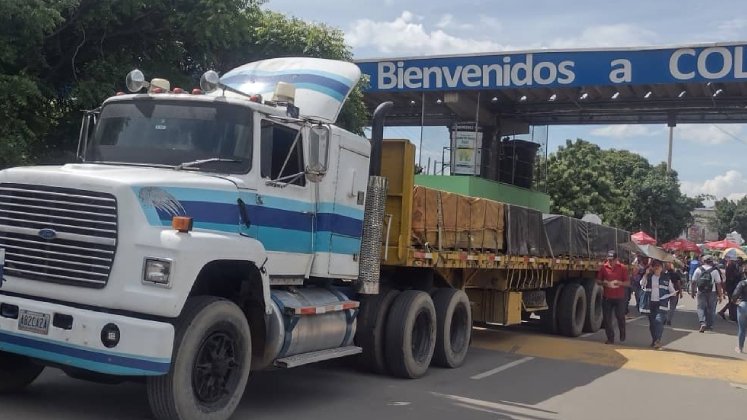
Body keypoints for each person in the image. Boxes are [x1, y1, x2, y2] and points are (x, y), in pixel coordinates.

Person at [640, 259, 676, 349]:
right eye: (655, 265)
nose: (657, 267)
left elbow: (672, 291)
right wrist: (646, 274)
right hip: (650, 303)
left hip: (661, 303)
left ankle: (658, 340)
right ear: (652, 267)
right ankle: (654, 340)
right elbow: (642, 284)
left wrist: (671, 295)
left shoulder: (666, 278)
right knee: (652, 323)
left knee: (659, 321)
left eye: (658, 266)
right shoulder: (649, 277)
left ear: (662, 267)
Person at [597, 250, 630, 344]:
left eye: (612, 260)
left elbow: (628, 283)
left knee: (620, 316)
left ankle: (622, 331)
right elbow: (598, 281)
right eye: (609, 260)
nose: (610, 262)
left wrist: (620, 283)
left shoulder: (622, 268)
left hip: (619, 297)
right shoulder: (604, 267)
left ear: (616, 259)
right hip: (607, 297)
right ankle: (610, 338)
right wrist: (605, 283)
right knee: (607, 319)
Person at [690, 255, 725, 332]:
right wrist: (720, 295)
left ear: (703, 261)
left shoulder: (698, 269)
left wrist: (693, 291)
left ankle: (702, 323)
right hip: (712, 292)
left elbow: (693, 281)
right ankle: (710, 325)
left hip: (701, 291)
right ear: (711, 262)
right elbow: (718, 284)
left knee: (700, 307)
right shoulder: (714, 271)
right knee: (712, 309)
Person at [664, 262, 683, 326]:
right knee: (672, 307)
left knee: (664, 305)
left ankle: (664, 318)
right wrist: (680, 292)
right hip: (675, 291)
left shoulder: (664, 274)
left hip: (666, 291)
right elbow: (678, 284)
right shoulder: (676, 274)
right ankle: (668, 320)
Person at [733, 271, 747, 354]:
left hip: (743, 305)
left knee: (742, 329)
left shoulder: (742, 283)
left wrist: (734, 301)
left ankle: (740, 348)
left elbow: (735, 294)